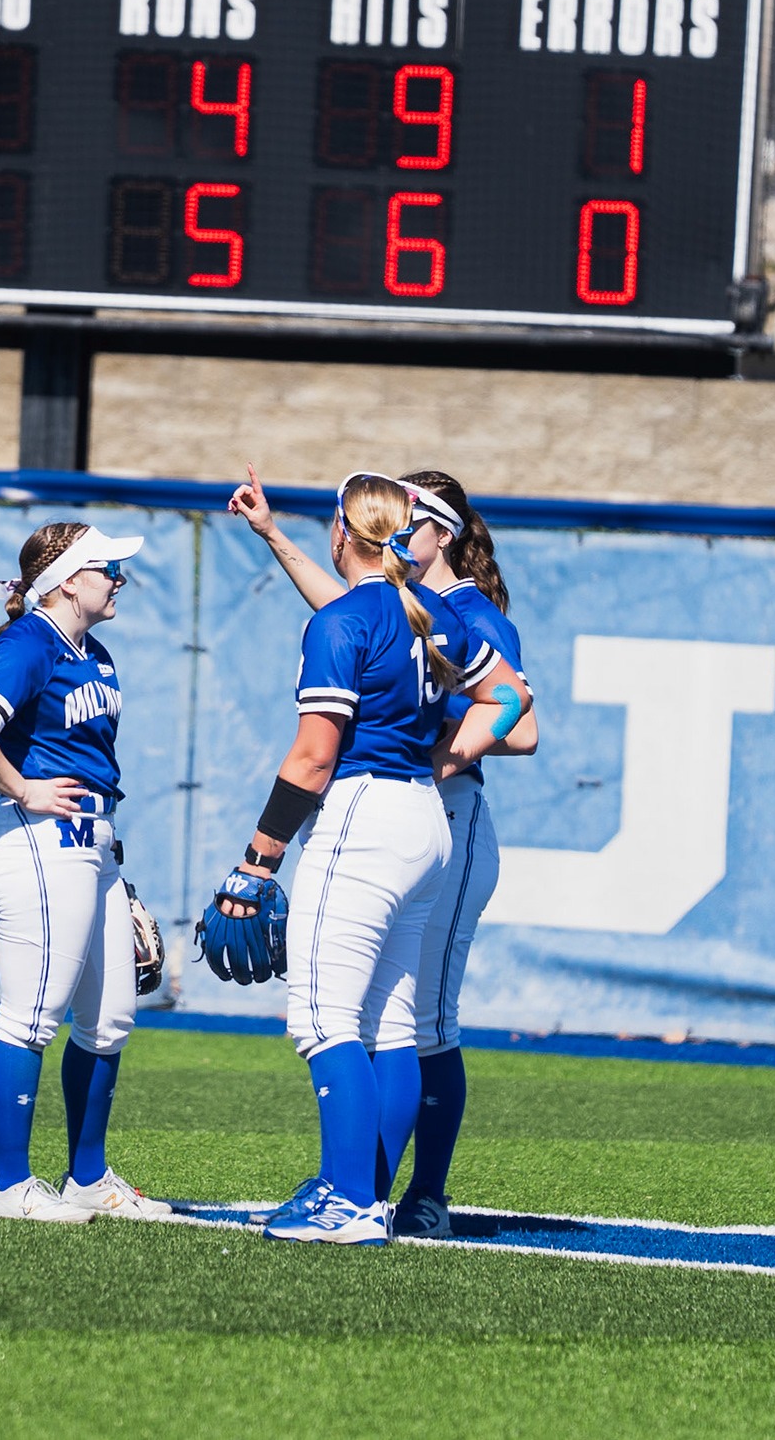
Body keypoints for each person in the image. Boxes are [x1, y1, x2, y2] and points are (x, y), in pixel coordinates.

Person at [207, 473, 530, 1244]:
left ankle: (349, 1197)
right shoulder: (429, 613)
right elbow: (510, 699)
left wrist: (258, 858)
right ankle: (362, 1192)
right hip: (422, 818)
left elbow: (314, 756)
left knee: (324, 1016)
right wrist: (432, 759)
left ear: (342, 532)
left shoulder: (353, 619)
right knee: (391, 1023)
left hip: (366, 815)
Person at [0, 520, 172, 1223]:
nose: (119, 579)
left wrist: (109, 858)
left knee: (110, 1017)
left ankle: (87, 1177)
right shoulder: (31, 641)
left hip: (91, 842)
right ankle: (11, 1185)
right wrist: (20, 786)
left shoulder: (94, 653)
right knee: (32, 1011)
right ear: (68, 581)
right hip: (39, 838)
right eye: (107, 568)